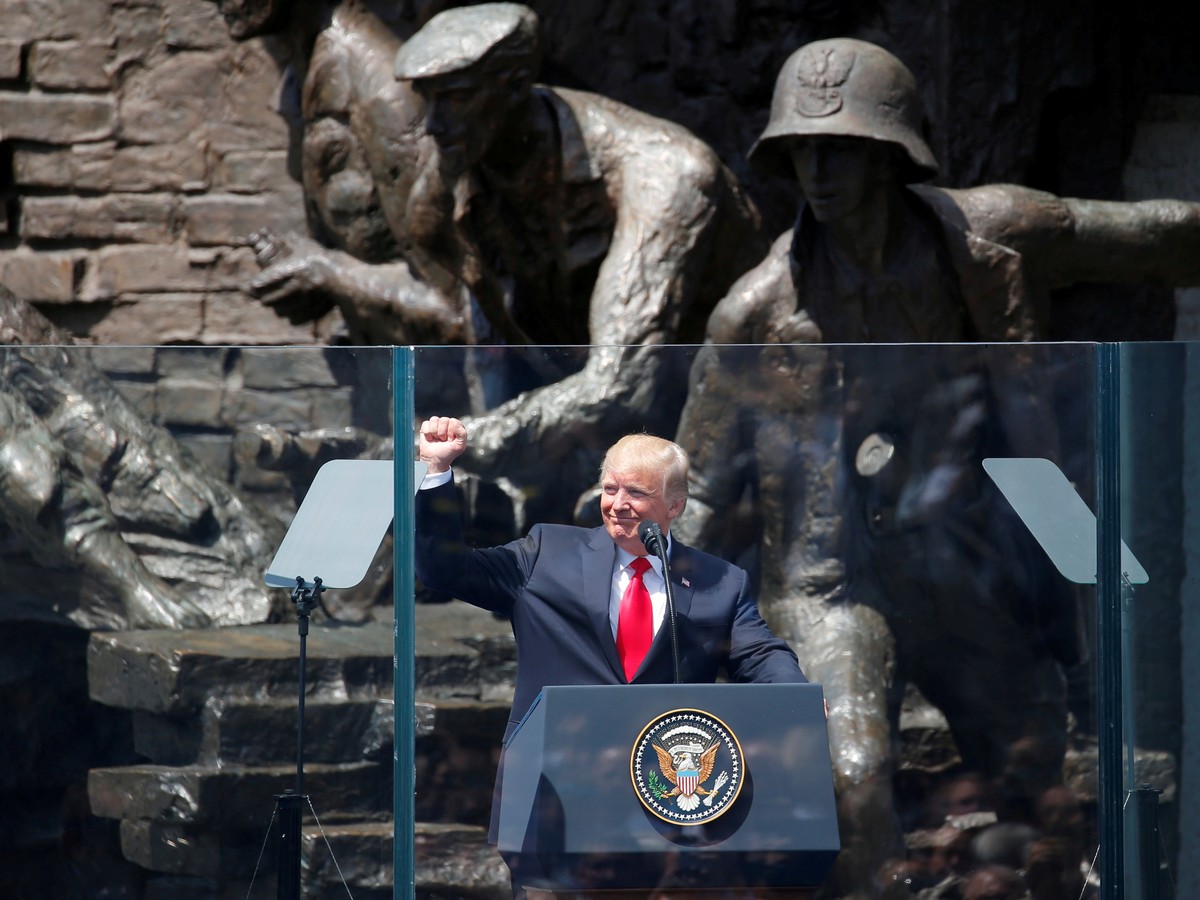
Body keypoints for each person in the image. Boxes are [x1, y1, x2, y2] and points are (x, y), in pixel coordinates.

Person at [674, 36, 1200, 900]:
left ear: (890, 154)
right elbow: (693, 484)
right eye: (801, 150)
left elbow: (1152, 233)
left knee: (1041, 780)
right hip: (830, 584)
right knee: (852, 779)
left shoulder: (987, 237)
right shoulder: (754, 314)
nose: (818, 169)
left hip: (965, 558)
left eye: (839, 147)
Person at [396, 4, 769, 524]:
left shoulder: (664, 173)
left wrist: (468, 440)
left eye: (455, 99)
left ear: (513, 87)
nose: (433, 126)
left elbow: (621, 383)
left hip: (723, 426)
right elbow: (470, 303)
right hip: (582, 420)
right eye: (427, 101)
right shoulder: (459, 166)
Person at [414, 415, 806, 895]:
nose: (618, 505)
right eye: (610, 488)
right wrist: (435, 472)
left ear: (675, 505)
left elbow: (760, 653)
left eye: (636, 493)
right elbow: (445, 569)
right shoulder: (546, 553)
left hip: (660, 821)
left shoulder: (718, 582)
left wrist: (795, 698)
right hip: (550, 805)